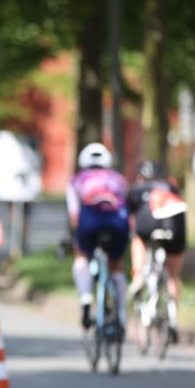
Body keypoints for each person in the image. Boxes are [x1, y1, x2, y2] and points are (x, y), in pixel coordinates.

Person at [66, 142, 129, 337]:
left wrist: (75, 237)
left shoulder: (77, 179)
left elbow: (74, 215)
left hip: (90, 222)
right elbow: (124, 204)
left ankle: (86, 300)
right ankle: (120, 313)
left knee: (82, 256)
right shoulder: (118, 179)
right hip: (117, 223)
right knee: (116, 264)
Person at [127, 160, 188, 343]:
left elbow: (129, 216)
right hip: (175, 227)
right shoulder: (171, 187)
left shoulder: (138, 189)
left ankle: (138, 275)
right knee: (173, 276)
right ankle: (173, 318)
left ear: (140, 177)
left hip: (147, 225)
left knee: (138, 239)